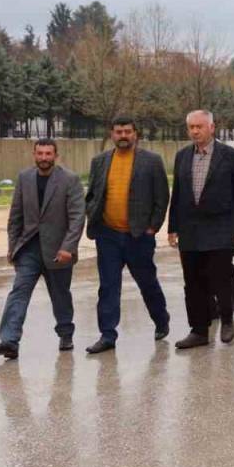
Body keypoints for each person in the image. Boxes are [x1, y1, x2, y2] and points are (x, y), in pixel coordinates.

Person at [0, 139, 85, 360]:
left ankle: (65, 333)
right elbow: (16, 216)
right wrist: (12, 247)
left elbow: (77, 217)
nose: (44, 158)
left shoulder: (69, 180)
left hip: (58, 250)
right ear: (34, 154)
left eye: (48, 154)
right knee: (18, 293)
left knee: (60, 295)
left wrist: (68, 247)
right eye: (40, 154)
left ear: (56, 156)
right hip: (29, 249)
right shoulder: (24, 178)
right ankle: (9, 341)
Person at [83, 116, 171, 354]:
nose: (123, 136)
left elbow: (161, 197)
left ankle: (161, 319)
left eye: (127, 131)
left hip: (139, 236)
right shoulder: (100, 161)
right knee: (109, 286)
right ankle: (108, 335)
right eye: (119, 131)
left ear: (135, 134)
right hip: (108, 235)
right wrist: (93, 215)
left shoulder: (151, 161)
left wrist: (153, 227)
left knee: (147, 282)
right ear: (112, 134)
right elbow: (93, 194)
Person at [168, 111, 234, 349]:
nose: (195, 131)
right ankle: (199, 330)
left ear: (211, 127)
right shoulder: (182, 156)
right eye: (191, 127)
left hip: (220, 227)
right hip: (190, 229)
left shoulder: (230, 156)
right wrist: (173, 227)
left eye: (199, 127)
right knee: (193, 282)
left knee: (221, 278)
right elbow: (178, 195)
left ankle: (226, 320)